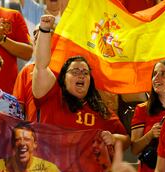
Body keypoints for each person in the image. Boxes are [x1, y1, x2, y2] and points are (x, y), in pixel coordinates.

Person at [33, 15, 129, 147]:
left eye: (85, 73)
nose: (81, 75)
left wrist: (113, 138)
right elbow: (41, 66)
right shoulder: (51, 97)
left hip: (88, 167)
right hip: (52, 166)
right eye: (75, 72)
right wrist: (44, 30)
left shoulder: (101, 110)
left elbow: (125, 140)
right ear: (63, 78)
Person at [12, 26, 39, 121]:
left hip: (60, 132)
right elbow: (18, 108)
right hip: (33, 132)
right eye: (35, 33)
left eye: (44, 31)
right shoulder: (26, 71)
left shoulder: (66, 70)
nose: (38, 36)